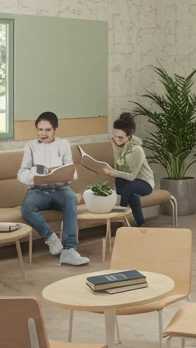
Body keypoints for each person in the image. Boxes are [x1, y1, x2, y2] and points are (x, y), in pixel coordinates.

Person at [17, 112, 87, 266]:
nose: (43, 133)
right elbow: (22, 172)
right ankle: (51, 239)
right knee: (27, 208)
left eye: (47, 130)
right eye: (40, 129)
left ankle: (69, 250)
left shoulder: (63, 144)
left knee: (71, 199)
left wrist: (63, 174)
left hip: (61, 189)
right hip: (39, 190)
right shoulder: (30, 146)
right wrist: (35, 175)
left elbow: (72, 171)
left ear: (55, 129)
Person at [102, 112, 154, 227]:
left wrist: (113, 172)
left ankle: (120, 213)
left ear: (129, 137)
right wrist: (112, 170)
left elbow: (132, 176)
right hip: (126, 184)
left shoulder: (136, 150)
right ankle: (141, 225)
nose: (116, 140)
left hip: (144, 183)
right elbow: (120, 169)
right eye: (114, 136)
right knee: (133, 197)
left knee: (130, 186)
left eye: (120, 137)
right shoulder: (116, 144)